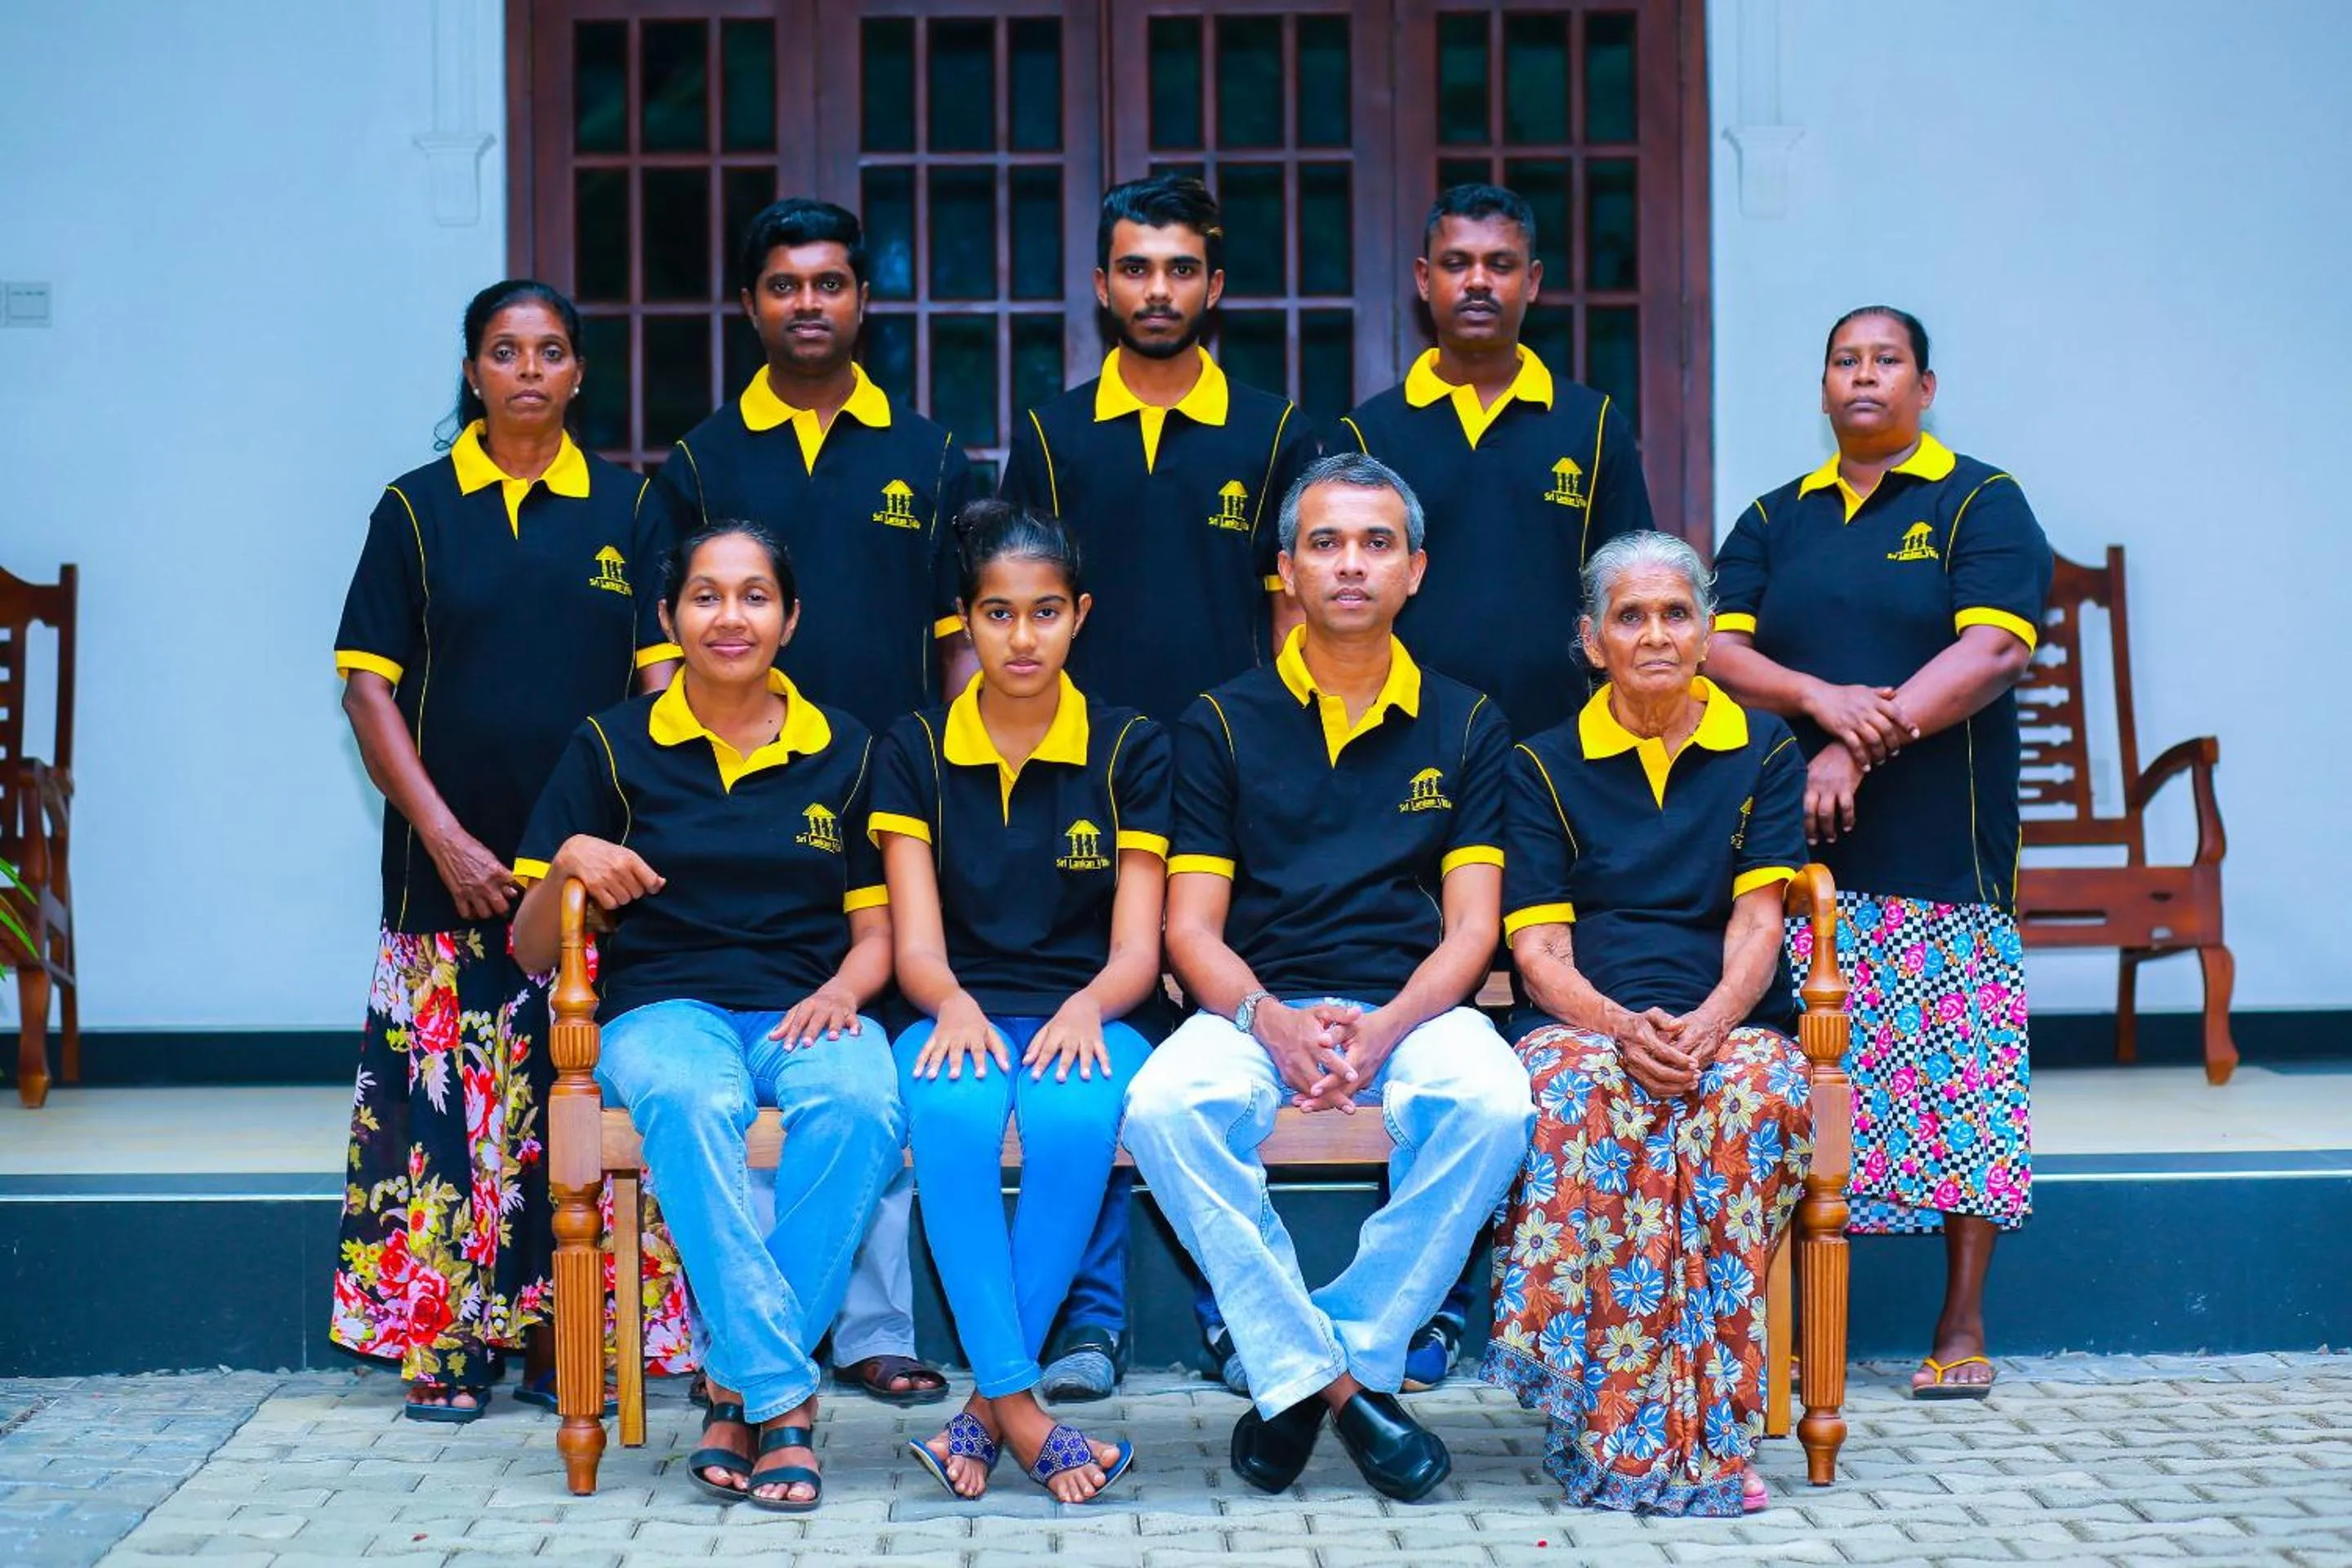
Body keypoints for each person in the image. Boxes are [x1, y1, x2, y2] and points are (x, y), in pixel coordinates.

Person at [1120, 453, 1534, 1504]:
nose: (1351, 564)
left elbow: (1472, 929)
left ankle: (1311, 1366)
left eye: (1376, 543)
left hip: (1416, 1007)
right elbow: (1190, 931)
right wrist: (1274, 1022)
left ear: (1415, 571)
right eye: (1326, 543)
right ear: (1286, 571)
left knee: (1495, 1105)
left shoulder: (1468, 723)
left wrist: (1387, 1027)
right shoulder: (1220, 722)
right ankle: (1342, 1384)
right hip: (1256, 1009)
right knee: (1163, 1108)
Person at [639, 197, 969, 1406]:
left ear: (863, 300)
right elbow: (660, 658)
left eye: (830, 283)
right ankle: (773, 1340)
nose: (809, 304)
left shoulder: (930, 456)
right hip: (743, 809)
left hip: (885, 808)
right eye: (785, 285)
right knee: (761, 1059)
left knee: (860, 1057)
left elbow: (960, 649)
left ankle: (872, 1329)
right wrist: (687, 796)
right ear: (751, 305)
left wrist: (947, 788)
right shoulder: (701, 462)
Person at [330, 278, 671, 1421]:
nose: (529, 370)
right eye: (506, 351)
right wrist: (444, 836)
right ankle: (444, 1342)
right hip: (446, 875)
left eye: (551, 351)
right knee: (444, 1119)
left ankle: (561, 1335)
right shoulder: (416, 509)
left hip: (586, 882)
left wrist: (612, 842)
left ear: (579, 374)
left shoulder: (629, 509)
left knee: (565, 1109)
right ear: (473, 372)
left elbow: (659, 691)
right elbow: (368, 692)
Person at [510, 521, 903, 1510]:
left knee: (863, 1102)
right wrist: (567, 862)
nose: (731, 617)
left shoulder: (848, 749)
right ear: (668, 616)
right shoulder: (611, 745)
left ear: (791, 618)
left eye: (755, 596)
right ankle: (784, 1400)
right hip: (664, 1009)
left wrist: (844, 994)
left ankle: (735, 1385)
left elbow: (878, 933)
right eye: (706, 596)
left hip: (808, 1004)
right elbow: (529, 949)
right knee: (690, 1102)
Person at [1000, 174, 1316, 1401]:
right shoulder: (1052, 434)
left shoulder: (1277, 433)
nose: (1158, 289)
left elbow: (1296, 620)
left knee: (1211, 1051)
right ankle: (1086, 1320)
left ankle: (1238, 1315)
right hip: (1086, 780)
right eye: (1136, 267)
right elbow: (1013, 613)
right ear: (1101, 285)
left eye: (1181, 267)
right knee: (1091, 1038)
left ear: (1215, 285)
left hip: (1230, 775)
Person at [1341, 183, 1657, 1387]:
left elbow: (1627, 594)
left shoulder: (1591, 425)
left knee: (1533, 1029)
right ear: (1423, 282)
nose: (1479, 281)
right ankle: (1419, 1308)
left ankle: (1525, 1293)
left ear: (1533, 284)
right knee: (1422, 1034)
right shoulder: (1369, 431)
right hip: (1404, 778)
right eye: (1458, 262)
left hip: (1553, 783)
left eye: (1502, 263)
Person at [1704, 306, 2051, 1401]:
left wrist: (1856, 745)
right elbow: (1717, 648)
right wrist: (1820, 701)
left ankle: (1961, 1322)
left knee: (1960, 1077)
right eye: (1845, 361)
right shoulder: (1776, 516)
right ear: (1823, 390)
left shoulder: (1979, 501)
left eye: (1886, 360)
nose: (1864, 376)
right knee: (1805, 1080)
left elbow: (1990, 651)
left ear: (1925, 387)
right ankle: (1797, 1321)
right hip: (1794, 843)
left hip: (1942, 840)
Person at [1482, 531, 1815, 1517]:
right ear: (1593, 641)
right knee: (1578, 1093)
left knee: (1755, 1094)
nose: (1657, 635)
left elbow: (1758, 924)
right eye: (1631, 617)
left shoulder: (1764, 748)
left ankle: (1709, 1432)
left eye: (1677, 613)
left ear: (1708, 632)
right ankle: (1611, 1427)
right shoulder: (1542, 765)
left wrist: (1707, 1026)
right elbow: (1539, 952)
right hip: (1585, 1024)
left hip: (1727, 1022)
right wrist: (1623, 1028)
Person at [875, 502, 1165, 1501]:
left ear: (1080, 615)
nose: (1023, 637)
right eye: (998, 614)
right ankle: (1023, 1414)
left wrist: (1088, 1008)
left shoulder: (1130, 745)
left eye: (1046, 612)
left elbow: (1137, 948)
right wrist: (950, 1004)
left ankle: (983, 1413)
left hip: (1095, 1012)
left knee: (1076, 1121)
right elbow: (915, 943)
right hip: (952, 1009)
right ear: (965, 620)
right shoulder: (913, 749)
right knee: (953, 1118)